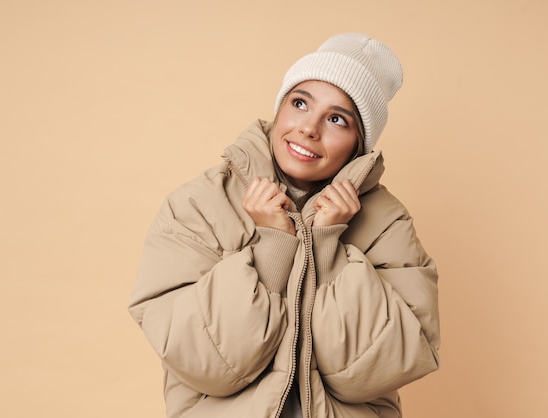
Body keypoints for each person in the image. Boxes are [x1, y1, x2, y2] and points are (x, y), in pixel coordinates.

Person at [128, 32, 440, 418]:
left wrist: (327, 245)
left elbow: (373, 371)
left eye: (337, 119)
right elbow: (206, 363)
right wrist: (272, 246)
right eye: (299, 103)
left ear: (359, 144)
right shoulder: (198, 204)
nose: (309, 128)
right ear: (280, 109)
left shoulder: (388, 224)